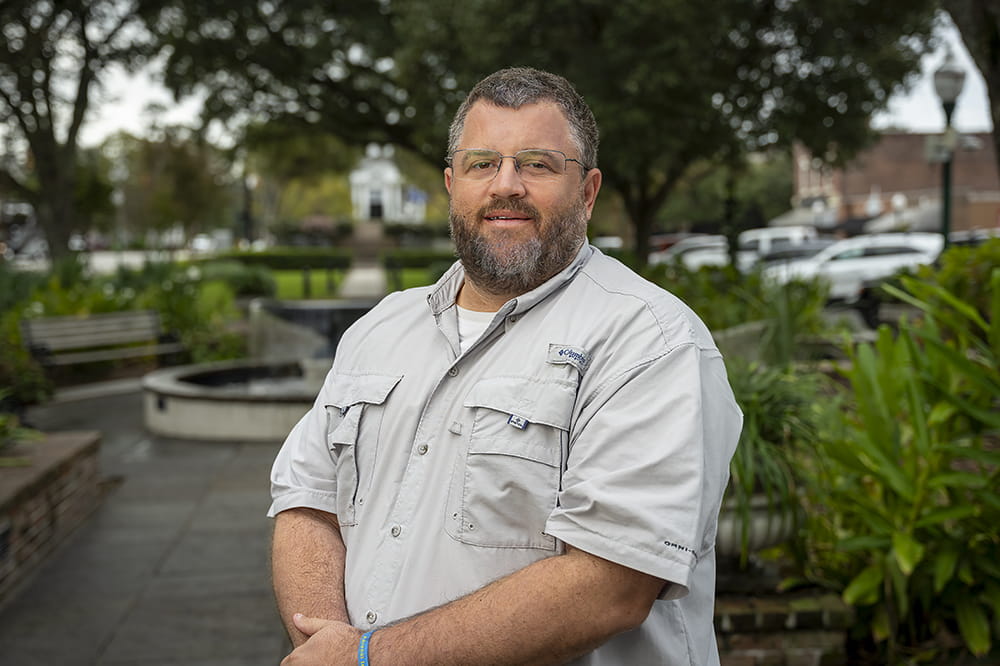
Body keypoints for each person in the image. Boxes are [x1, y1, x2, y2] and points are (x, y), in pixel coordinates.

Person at [269, 66, 742, 665]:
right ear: (452, 184)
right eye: (482, 163)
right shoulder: (378, 330)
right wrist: (327, 643)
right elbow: (307, 501)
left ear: (589, 192)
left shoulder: (651, 342)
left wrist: (368, 658)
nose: (506, 185)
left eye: (538, 164)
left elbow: (611, 586)